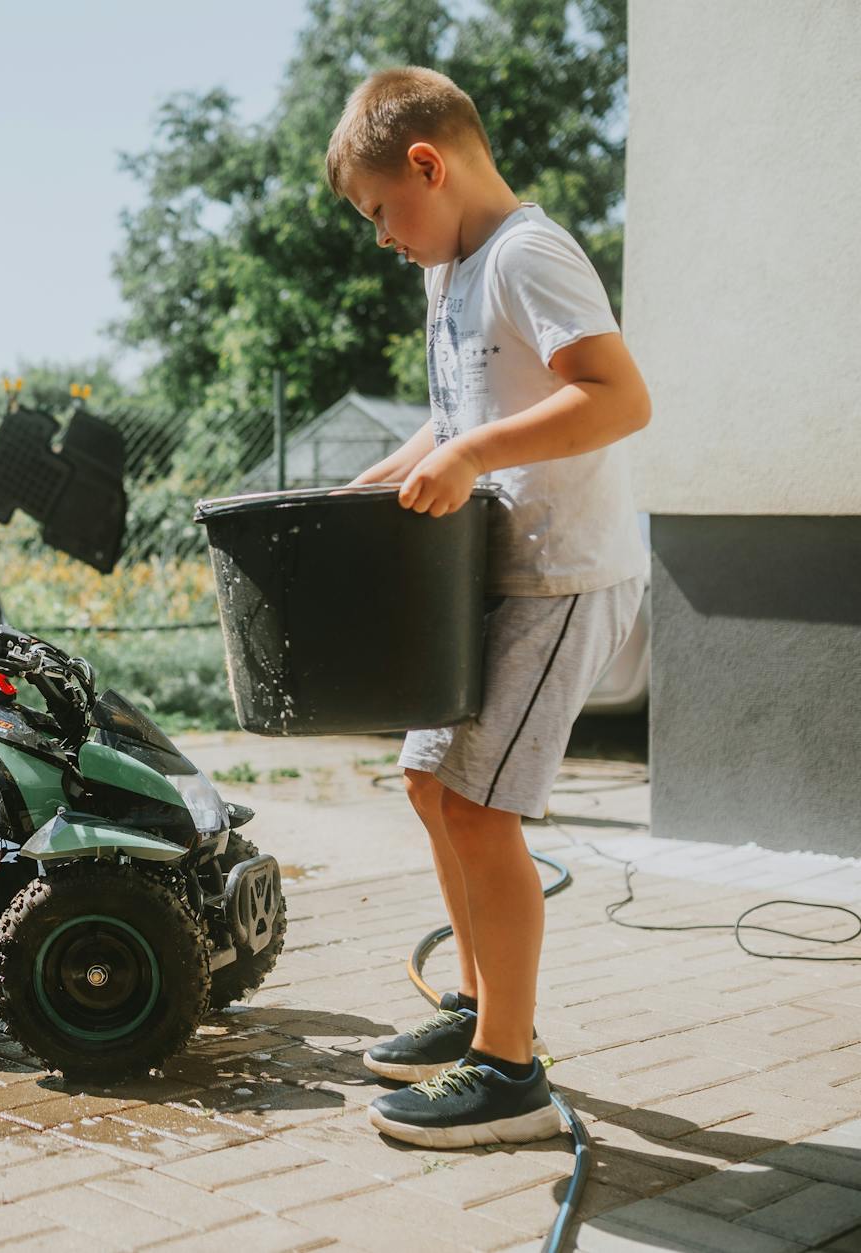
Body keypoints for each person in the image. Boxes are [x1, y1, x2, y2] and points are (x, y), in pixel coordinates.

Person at [327, 67, 649, 1148]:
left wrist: (470, 453)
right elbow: (451, 414)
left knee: (479, 808)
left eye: (380, 209)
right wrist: (371, 486)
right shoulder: (449, 269)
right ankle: (476, 1007)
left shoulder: (525, 254)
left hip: (558, 574)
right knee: (428, 784)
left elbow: (616, 395)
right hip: (487, 575)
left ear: (427, 162)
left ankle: (506, 1069)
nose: (381, 236)